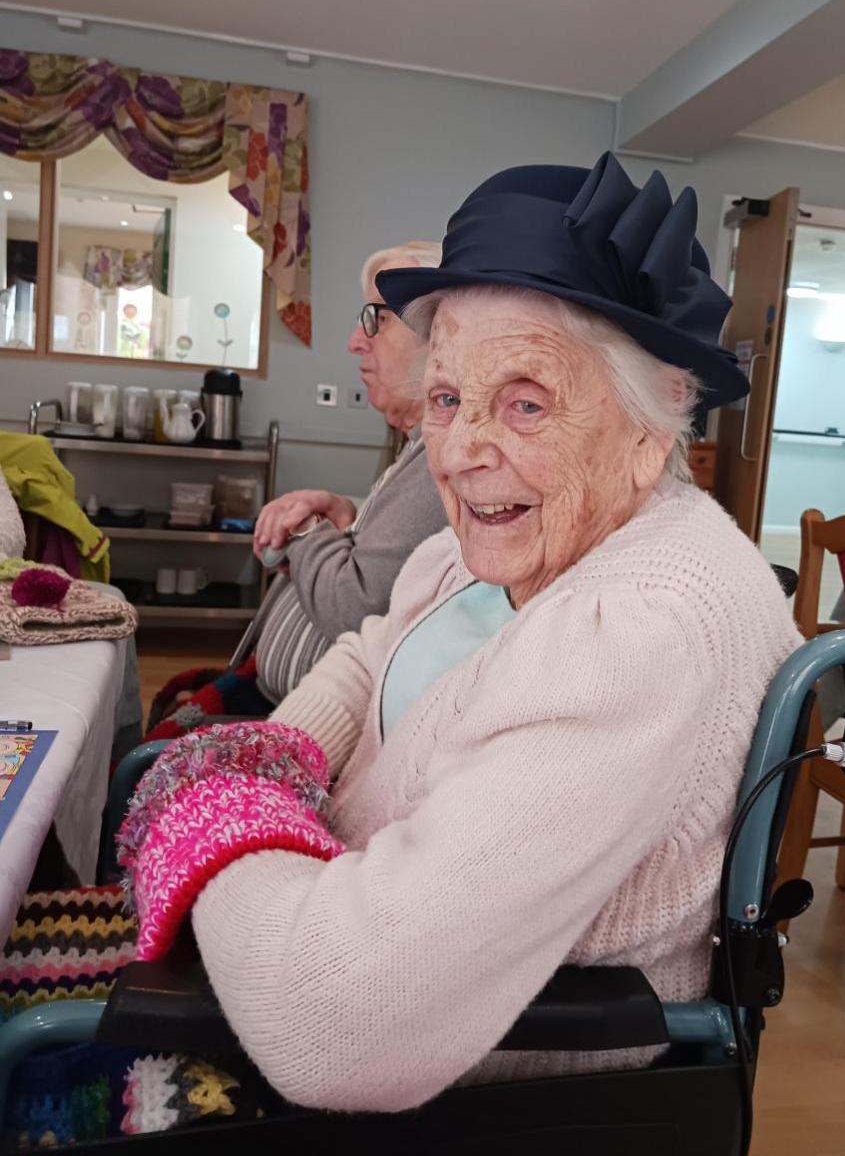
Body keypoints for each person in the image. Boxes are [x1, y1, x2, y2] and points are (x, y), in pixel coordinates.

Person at [124, 153, 801, 1115]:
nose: (462, 448)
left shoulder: (642, 628)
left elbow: (335, 1021)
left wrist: (222, 814)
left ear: (651, 430)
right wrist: (277, 750)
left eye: (525, 401)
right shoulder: (501, 532)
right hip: (342, 914)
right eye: (446, 399)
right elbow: (373, 651)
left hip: (486, 1087)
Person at [248, 241, 448, 704]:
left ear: (440, 336)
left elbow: (354, 603)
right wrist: (344, 513)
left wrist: (305, 532)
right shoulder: (416, 446)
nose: (355, 341)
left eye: (376, 320)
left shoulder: (444, 455)